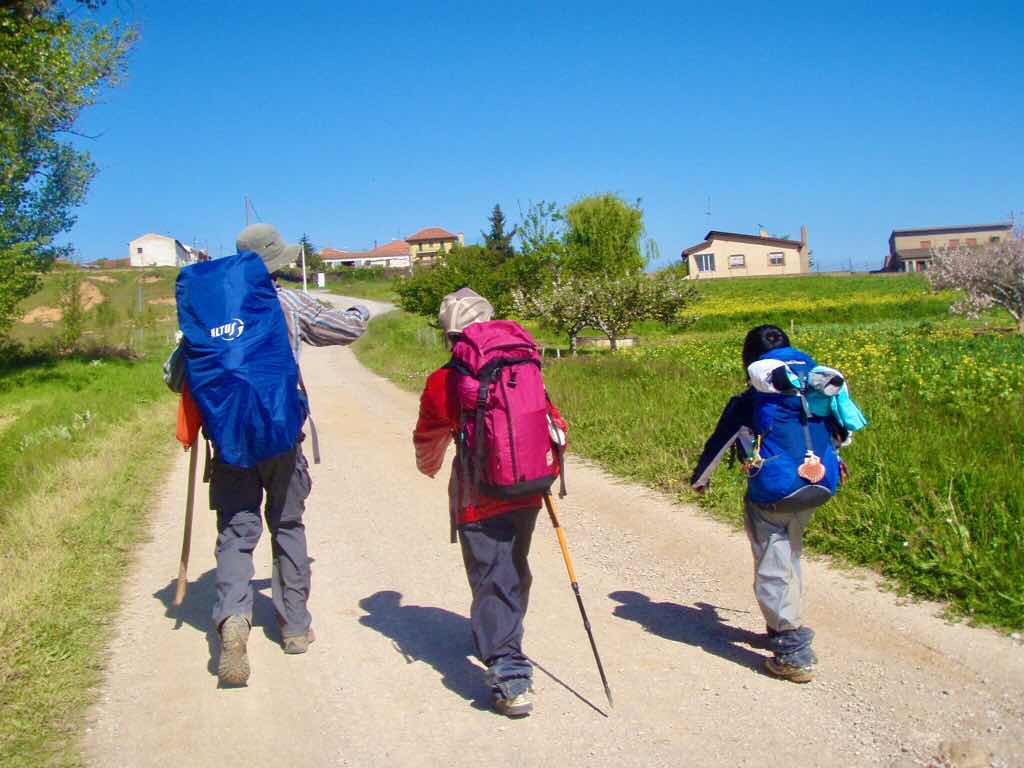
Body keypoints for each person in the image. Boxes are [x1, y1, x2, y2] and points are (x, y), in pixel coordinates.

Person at [169, 223, 369, 685]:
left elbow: (176, 377)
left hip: (230, 443)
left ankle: (233, 620)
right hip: (281, 436)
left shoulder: (205, 312)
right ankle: (295, 626)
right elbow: (345, 328)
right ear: (276, 262)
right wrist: (361, 309)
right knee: (287, 524)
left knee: (237, 534)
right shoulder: (285, 302)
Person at [412, 288, 567, 717]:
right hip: (529, 489)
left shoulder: (445, 381)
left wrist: (429, 466)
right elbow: (552, 420)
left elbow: (428, 435)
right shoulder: (522, 365)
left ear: (449, 335)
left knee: (492, 576)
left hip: (478, 497)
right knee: (513, 567)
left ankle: (509, 672)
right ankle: (501, 632)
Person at [690, 324, 848, 683]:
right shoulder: (815, 388)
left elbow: (721, 441)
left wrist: (701, 480)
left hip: (773, 492)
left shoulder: (751, 400)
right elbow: (841, 433)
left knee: (772, 563)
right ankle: (780, 625)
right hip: (819, 485)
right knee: (788, 555)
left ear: (750, 360)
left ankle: (793, 649)